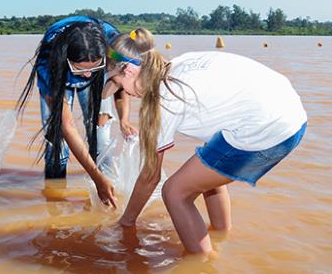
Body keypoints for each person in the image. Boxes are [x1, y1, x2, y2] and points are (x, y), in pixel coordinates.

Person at [104, 28, 307, 254]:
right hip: (294, 116)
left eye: (118, 83)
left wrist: (127, 222)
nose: (123, 92)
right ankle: (220, 234)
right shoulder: (181, 62)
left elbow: (150, 177)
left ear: (130, 70)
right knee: (205, 167)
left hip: (267, 130)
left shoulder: (164, 100)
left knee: (174, 192)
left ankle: (201, 264)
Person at [17, 15, 137, 208]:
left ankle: (109, 198)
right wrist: (97, 179)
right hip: (59, 77)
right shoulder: (48, 63)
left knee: (101, 138)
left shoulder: (113, 50)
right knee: (56, 146)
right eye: (80, 69)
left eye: (95, 66)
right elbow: (67, 126)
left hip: (98, 81)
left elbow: (121, 79)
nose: (88, 75)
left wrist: (124, 120)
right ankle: (55, 204)